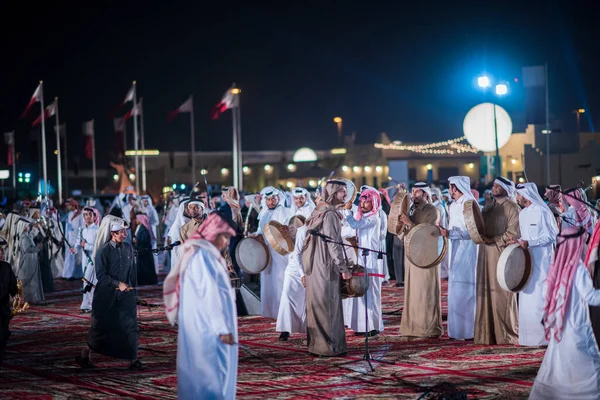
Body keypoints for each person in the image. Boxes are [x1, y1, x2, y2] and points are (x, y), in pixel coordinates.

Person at [164, 212, 238, 399]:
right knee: (211, 378)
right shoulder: (204, 257)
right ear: (214, 233)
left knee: (201, 377)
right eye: (226, 237)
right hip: (209, 331)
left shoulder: (204, 254)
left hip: (202, 327)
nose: (227, 243)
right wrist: (222, 329)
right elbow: (210, 296)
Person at [529, 226, 600, 399]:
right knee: (588, 365)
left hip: (559, 327)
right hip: (577, 326)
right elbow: (591, 297)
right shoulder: (578, 270)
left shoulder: (557, 268)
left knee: (559, 365)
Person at [77, 217, 142, 370]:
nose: (125, 234)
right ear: (113, 234)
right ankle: (85, 355)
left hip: (126, 295)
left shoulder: (128, 248)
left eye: (125, 231)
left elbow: (132, 273)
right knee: (101, 328)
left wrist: (134, 292)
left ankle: (134, 359)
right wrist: (117, 284)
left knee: (130, 326)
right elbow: (101, 275)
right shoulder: (103, 251)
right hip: (106, 295)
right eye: (121, 232)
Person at [303, 180, 352, 356]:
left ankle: (317, 346)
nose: (345, 195)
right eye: (342, 192)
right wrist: (343, 267)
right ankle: (332, 347)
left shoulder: (318, 211)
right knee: (329, 305)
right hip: (326, 264)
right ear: (333, 194)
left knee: (318, 305)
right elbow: (333, 245)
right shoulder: (330, 214)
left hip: (315, 264)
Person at [474, 177, 520, 345]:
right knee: (487, 292)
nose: (493, 188)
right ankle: (486, 335)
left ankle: (506, 336)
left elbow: (514, 233)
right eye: (493, 185)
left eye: (497, 186)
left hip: (502, 254)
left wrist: (495, 239)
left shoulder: (513, 208)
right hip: (485, 254)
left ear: (506, 189)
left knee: (502, 294)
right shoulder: (487, 208)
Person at [514, 183, 558, 346]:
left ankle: (543, 338)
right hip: (527, 261)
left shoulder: (542, 211)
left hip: (542, 261)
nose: (517, 197)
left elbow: (551, 236)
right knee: (526, 296)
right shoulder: (523, 213)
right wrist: (519, 242)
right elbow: (525, 236)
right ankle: (527, 338)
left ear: (525, 195)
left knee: (540, 296)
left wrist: (530, 243)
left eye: (518, 194)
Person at [399, 182, 442, 338]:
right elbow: (406, 232)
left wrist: (409, 223)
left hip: (426, 257)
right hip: (412, 255)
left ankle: (428, 329)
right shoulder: (413, 211)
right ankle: (413, 327)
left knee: (425, 291)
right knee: (413, 292)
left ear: (425, 194)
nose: (414, 195)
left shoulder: (433, 211)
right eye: (413, 192)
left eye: (417, 192)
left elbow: (427, 232)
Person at [440, 176, 478, 340]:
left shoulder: (470, 204)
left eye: (451, 187)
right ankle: (456, 331)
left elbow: (473, 232)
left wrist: (450, 233)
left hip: (467, 251)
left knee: (466, 290)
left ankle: (469, 331)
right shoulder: (453, 205)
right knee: (455, 291)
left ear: (456, 188)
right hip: (455, 249)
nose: (450, 190)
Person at [343, 188, 384, 337]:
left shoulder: (374, 218)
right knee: (360, 290)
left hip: (371, 260)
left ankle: (373, 326)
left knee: (371, 292)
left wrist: (347, 211)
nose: (363, 204)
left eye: (367, 201)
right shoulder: (364, 217)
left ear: (373, 203)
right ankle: (362, 326)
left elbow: (355, 225)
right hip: (362, 258)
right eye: (362, 201)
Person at [251, 187, 293, 319]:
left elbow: (288, 231)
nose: (271, 202)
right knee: (268, 280)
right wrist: (256, 235)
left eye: (273, 199)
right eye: (268, 199)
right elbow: (260, 229)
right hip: (266, 251)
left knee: (279, 280)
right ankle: (269, 312)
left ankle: (282, 313)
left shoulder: (285, 211)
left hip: (280, 252)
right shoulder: (263, 212)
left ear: (278, 198)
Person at [0, 237, 17, 363]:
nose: (2, 253)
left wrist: (16, 295)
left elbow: (12, 285)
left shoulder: (6, 267)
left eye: (2, 251)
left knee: (4, 332)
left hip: (4, 306)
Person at [79, 207, 100, 313]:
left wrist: (86, 245)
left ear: (94, 216)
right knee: (86, 282)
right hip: (85, 260)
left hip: (93, 260)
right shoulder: (82, 230)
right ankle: (86, 304)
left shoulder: (98, 230)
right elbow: (79, 243)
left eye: (90, 215)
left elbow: (98, 247)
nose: (87, 217)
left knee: (91, 283)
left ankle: (91, 304)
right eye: (85, 215)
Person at [133, 211, 158, 285]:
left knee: (146, 267)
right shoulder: (140, 227)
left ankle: (147, 282)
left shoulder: (144, 229)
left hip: (144, 252)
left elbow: (144, 240)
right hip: (141, 252)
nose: (136, 220)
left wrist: (137, 242)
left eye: (137, 219)